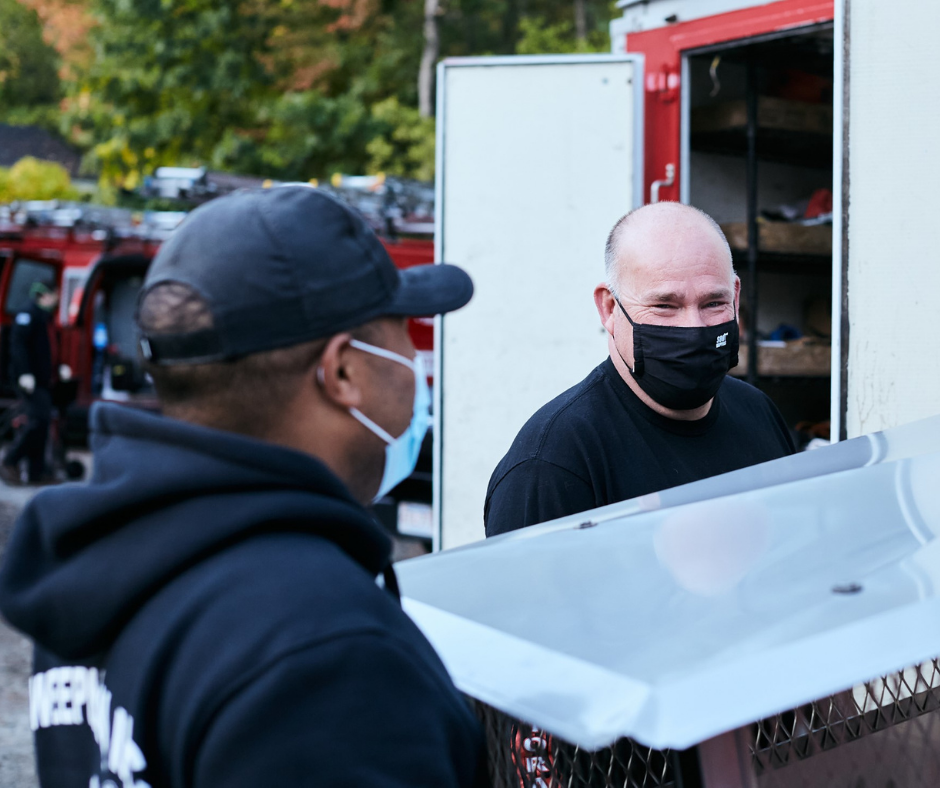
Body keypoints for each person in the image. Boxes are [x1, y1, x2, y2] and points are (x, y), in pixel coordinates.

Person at [0, 186, 485, 787]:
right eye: (403, 332)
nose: (416, 363)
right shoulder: (327, 652)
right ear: (343, 371)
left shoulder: (99, 571)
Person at [485, 202, 795, 537]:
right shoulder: (552, 464)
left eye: (713, 303)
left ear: (735, 298)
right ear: (609, 308)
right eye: (664, 306)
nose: (693, 327)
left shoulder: (758, 411)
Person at [0, 282, 59, 485]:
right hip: (29, 380)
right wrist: (25, 373)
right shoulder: (27, 314)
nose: (57, 299)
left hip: (42, 380)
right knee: (38, 421)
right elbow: (19, 347)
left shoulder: (44, 316)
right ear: (44, 295)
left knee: (43, 424)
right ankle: (10, 460)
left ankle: (37, 472)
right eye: (55, 294)